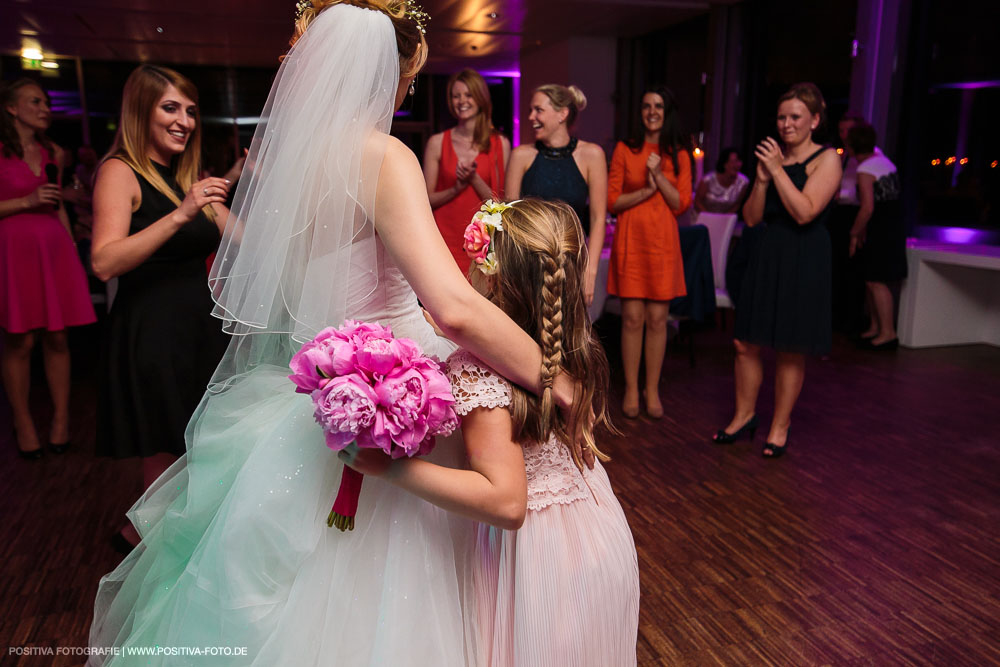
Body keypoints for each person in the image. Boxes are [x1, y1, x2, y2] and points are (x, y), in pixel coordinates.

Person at [89, 2, 587, 664]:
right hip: (389, 390)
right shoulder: (382, 155)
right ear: (395, 71)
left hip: (314, 395)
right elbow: (452, 307)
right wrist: (557, 378)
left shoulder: (298, 159)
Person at [342, 198, 640, 666]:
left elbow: (505, 502)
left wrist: (391, 470)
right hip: (597, 538)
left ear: (491, 275)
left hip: (538, 564)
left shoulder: (476, 370)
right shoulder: (574, 348)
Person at [90, 64, 234, 551]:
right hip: (152, 329)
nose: (184, 121)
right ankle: (150, 553)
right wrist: (182, 214)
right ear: (140, 112)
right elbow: (105, 261)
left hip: (199, 326)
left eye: (191, 111)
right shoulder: (120, 172)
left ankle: (146, 535)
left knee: (201, 443)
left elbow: (249, 246)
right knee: (167, 447)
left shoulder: (185, 179)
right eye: (170, 108)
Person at [713, 83, 841, 458]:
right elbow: (752, 218)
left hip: (804, 256)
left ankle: (779, 426)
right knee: (744, 342)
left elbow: (805, 211)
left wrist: (776, 170)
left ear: (814, 120)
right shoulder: (774, 161)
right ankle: (743, 416)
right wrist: (764, 179)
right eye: (782, 116)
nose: (786, 124)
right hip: (767, 254)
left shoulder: (827, 158)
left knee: (790, 347)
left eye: (795, 117)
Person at [0, 78, 96, 459]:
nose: (45, 109)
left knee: (58, 337)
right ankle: (23, 422)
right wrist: (26, 200)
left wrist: (71, 247)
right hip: (14, 251)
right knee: (21, 341)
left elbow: (57, 205)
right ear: (11, 108)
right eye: (35, 102)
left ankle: (60, 421)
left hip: (53, 248)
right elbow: (33, 199)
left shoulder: (54, 152)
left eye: (46, 103)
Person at [607, 85, 692, 419]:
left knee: (658, 320)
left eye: (658, 105)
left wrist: (657, 173)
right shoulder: (625, 149)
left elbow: (680, 203)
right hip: (632, 241)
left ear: (666, 111)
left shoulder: (679, 153)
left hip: (663, 244)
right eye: (646, 106)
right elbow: (613, 200)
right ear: (640, 112)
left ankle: (651, 389)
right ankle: (630, 388)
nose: (651, 111)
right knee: (631, 319)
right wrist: (646, 188)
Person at [506, 84, 607, 305]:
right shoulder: (521, 155)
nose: (531, 116)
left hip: (571, 265)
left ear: (562, 114)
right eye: (531, 110)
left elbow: (599, 219)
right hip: (528, 265)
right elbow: (510, 217)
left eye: (538, 110)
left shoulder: (592, 155)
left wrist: (590, 272)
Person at [423, 68, 510, 271]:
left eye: (468, 95)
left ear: (480, 98)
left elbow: (501, 204)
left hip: (483, 244)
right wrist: (455, 189)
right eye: (456, 96)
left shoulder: (499, 144)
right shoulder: (437, 142)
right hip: (443, 240)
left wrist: (474, 179)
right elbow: (425, 199)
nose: (461, 101)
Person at [846, 122, 905, 349]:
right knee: (873, 279)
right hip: (892, 226)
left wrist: (854, 232)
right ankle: (875, 328)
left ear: (852, 147)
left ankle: (887, 332)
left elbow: (867, 207)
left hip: (881, 228)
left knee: (876, 280)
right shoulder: (885, 162)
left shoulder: (865, 169)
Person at [694, 146, 749, 214]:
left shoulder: (743, 182)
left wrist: (724, 219)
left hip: (725, 220)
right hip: (704, 217)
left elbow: (737, 205)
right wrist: (710, 217)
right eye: (733, 162)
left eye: (738, 161)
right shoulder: (708, 180)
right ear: (724, 164)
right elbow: (697, 202)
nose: (736, 165)